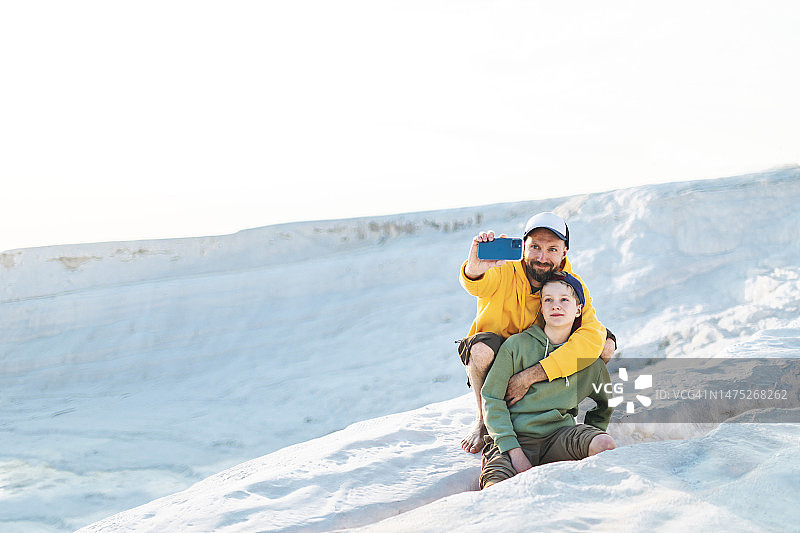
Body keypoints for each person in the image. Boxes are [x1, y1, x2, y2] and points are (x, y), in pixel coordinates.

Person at [458, 211, 616, 453]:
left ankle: (560, 406)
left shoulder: (570, 284)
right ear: (523, 247)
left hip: (539, 356)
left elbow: (592, 333)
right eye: (535, 247)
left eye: (552, 249)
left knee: (605, 345)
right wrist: (474, 268)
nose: (542, 257)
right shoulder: (502, 269)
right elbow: (478, 283)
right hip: (501, 354)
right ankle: (483, 420)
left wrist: (535, 374)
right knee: (479, 350)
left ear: (564, 252)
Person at [479, 271, 616, 488]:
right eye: (548, 300)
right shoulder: (517, 346)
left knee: (604, 444)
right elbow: (491, 397)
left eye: (564, 300)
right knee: (495, 489)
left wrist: (591, 433)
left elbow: (604, 403)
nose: (555, 306)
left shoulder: (588, 359)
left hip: (560, 435)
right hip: (514, 439)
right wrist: (513, 451)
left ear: (579, 309)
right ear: (541, 308)